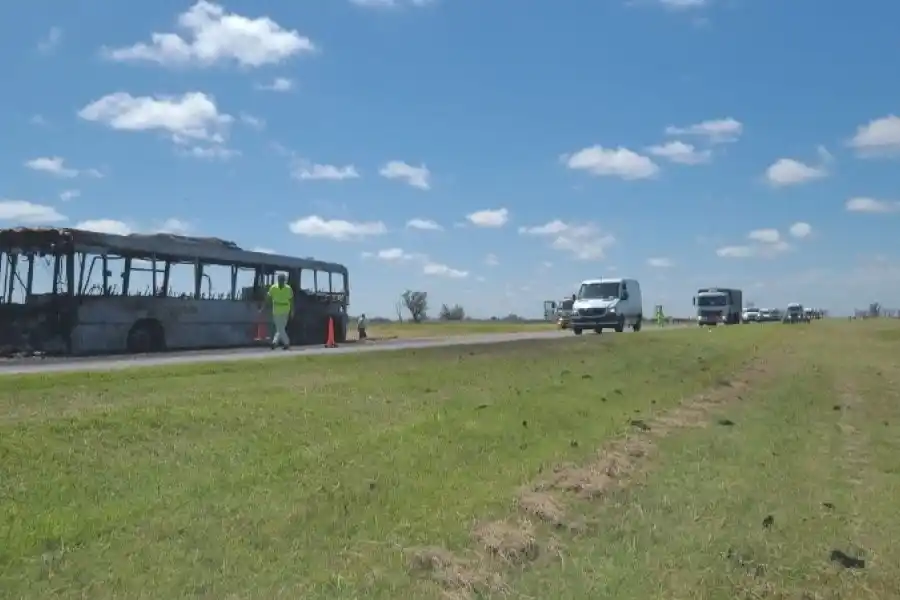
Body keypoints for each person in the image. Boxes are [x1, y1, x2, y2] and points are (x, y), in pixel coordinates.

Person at [264, 273, 294, 350]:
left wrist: (292, 310)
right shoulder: (273, 288)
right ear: (278, 280)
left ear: (284, 280)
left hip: (285, 310)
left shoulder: (288, 288)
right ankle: (284, 343)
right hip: (276, 310)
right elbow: (268, 297)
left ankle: (276, 343)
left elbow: (291, 300)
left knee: (280, 328)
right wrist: (263, 307)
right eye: (280, 279)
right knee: (280, 328)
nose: (281, 281)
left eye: (282, 279)